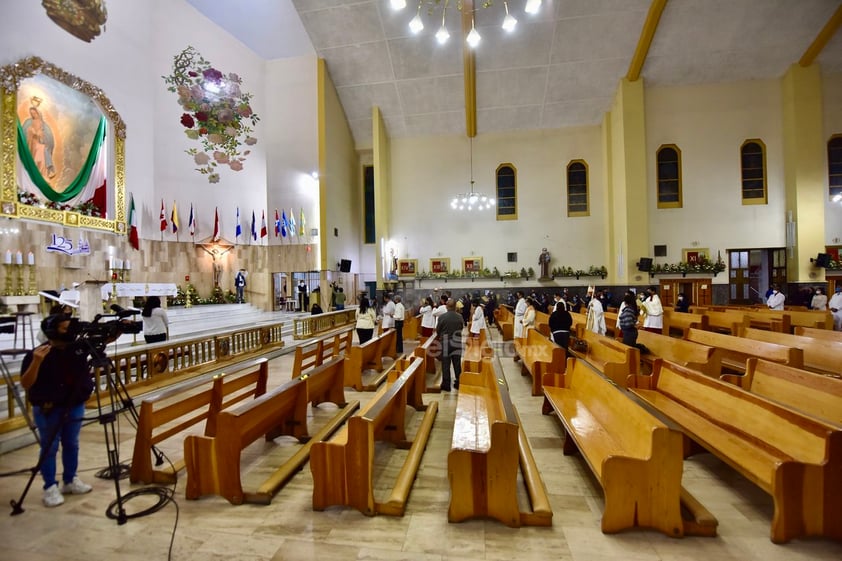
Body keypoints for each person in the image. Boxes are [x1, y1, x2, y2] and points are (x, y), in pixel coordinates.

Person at [20, 313, 94, 507]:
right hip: (48, 408)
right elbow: (26, 383)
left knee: (72, 443)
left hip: (74, 404)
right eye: (64, 327)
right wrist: (36, 362)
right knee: (50, 447)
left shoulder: (75, 349)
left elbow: (105, 339)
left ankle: (70, 480)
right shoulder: (37, 353)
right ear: (52, 331)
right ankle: (50, 487)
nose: (69, 331)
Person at [435, 299, 464, 392]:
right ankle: (459, 382)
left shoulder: (442, 317)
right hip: (457, 342)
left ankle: (446, 384)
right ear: (455, 307)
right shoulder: (460, 317)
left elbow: (438, 330)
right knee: (457, 363)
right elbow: (461, 327)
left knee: (446, 364)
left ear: (447, 306)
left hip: (446, 342)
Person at [22, 104, 56, 180]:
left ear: (38, 113)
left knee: (42, 154)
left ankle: (44, 174)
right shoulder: (29, 122)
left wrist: (41, 135)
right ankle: (34, 175)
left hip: (40, 143)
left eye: (34, 113)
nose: (33, 115)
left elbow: (46, 136)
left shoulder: (43, 124)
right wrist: (32, 131)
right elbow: (26, 132)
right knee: (35, 158)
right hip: (32, 143)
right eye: (32, 114)